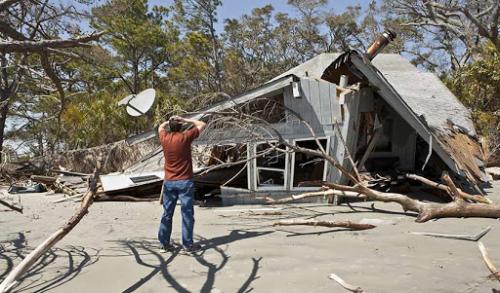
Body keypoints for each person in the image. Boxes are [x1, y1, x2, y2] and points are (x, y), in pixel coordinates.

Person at [157, 115, 206, 253]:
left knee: (167, 213)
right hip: (185, 181)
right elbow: (202, 124)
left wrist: (169, 121)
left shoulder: (165, 138)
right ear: (181, 126)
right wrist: (185, 120)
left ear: (170, 127)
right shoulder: (185, 137)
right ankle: (187, 245)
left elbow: (160, 127)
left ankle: (164, 244)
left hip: (169, 182)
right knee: (187, 214)